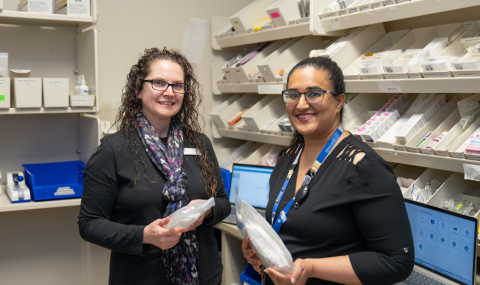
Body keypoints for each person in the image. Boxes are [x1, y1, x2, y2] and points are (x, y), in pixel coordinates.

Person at [241, 56, 414, 285]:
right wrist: (262, 250)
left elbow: (396, 262)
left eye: (314, 94)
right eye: (293, 95)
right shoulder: (288, 158)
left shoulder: (362, 166)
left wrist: (310, 268)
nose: (301, 104)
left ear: (339, 101)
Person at [78, 47, 230, 285]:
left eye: (177, 85)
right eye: (159, 83)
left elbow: (222, 202)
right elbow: (89, 224)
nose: (169, 92)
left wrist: (207, 211)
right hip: (141, 277)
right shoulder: (113, 149)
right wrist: (144, 235)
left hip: (204, 276)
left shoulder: (200, 143)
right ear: (138, 90)